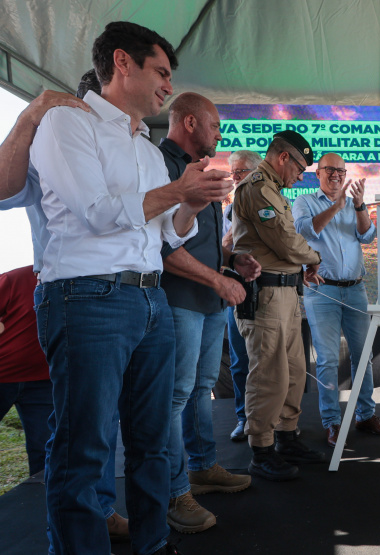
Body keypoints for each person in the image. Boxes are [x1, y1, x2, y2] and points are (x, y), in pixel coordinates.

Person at [31, 21, 232, 555]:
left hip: (150, 300)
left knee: (151, 445)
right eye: (161, 72)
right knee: (84, 448)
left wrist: (192, 200)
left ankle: (152, 543)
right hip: (86, 297)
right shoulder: (66, 124)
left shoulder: (145, 146)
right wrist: (176, 189)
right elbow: (96, 215)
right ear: (123, 62)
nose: (168, 85)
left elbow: (168, 233)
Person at [0, 71, 131, 547]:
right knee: (77, 430)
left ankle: (100, 510)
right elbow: (2, 190)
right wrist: (30, 115)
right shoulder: (52, 139)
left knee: (100, 421)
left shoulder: (129, 147)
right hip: (71, 293)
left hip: (123, 297)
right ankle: (75, 533)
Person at [157, 93, 259, 533]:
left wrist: (230, 264)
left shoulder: (201, 171)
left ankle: (202, 467)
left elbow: (198, 242)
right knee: (175, 397)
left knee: (200, 390)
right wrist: (218, 279)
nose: (221, 135)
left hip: (208, 301)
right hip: (179, 298)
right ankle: (172, 491)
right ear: (193, 122)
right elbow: (161, 247)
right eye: (216, 126)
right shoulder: (159, 165)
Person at [232, 130, 324, 481]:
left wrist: (306, 260)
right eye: (299, 169)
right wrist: (314, 257)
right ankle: (262, 448)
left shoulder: (275, 190)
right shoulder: (258, 187)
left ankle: (287, 436)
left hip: (286, 293)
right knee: (269, 374)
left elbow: (289, 236)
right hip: (266, 294)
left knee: (294, 372)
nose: (300, 177)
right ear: (283, 157)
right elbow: (285, 240)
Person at [294, 152, 380, 446]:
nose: (337, 175)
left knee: (363, 356)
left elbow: (367, 237)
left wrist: (359, 205)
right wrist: (336, 206)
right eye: (330, 170)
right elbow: (305, 229)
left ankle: (366, 416)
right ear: (318, 173)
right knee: (326, 359)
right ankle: (332, 422)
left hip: (355, 288)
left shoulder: (353, 203)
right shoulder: (305, 201)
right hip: (321, 290)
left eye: (341, 170)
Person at [223, 149, 262, 442]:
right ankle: (243, 417)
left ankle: (276, 421)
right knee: (239, 361)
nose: (236, 178)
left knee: (272, 360)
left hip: (268, 290)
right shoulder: (226, 208)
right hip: (234, 292)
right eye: (233, 173)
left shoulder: (274, 203)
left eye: (241, 172)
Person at [0, 266, 51, 476]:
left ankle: (42, 503)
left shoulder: (85, 284)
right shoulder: (14, 279)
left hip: (44, 382)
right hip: (2, 375)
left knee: (46, 450)